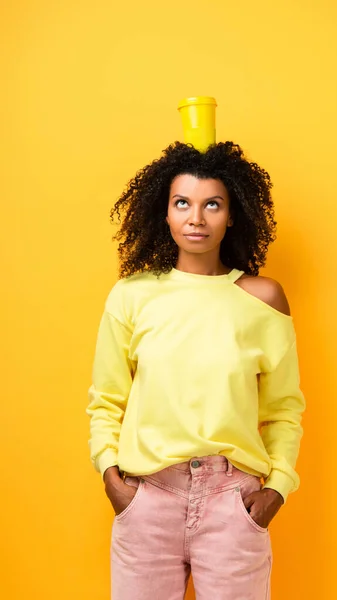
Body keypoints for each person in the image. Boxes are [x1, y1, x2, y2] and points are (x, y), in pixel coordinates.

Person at [87, 141, 305, 600]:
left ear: (232, 215)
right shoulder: (131, 296)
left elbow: (284, 410)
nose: (196, 218)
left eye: (213, 204)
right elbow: (107, 399)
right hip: (147, 498)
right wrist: (111, 477)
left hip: (234, 502)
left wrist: (276, 491)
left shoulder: (263, 300)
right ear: (163, 213)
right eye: (182, 202)